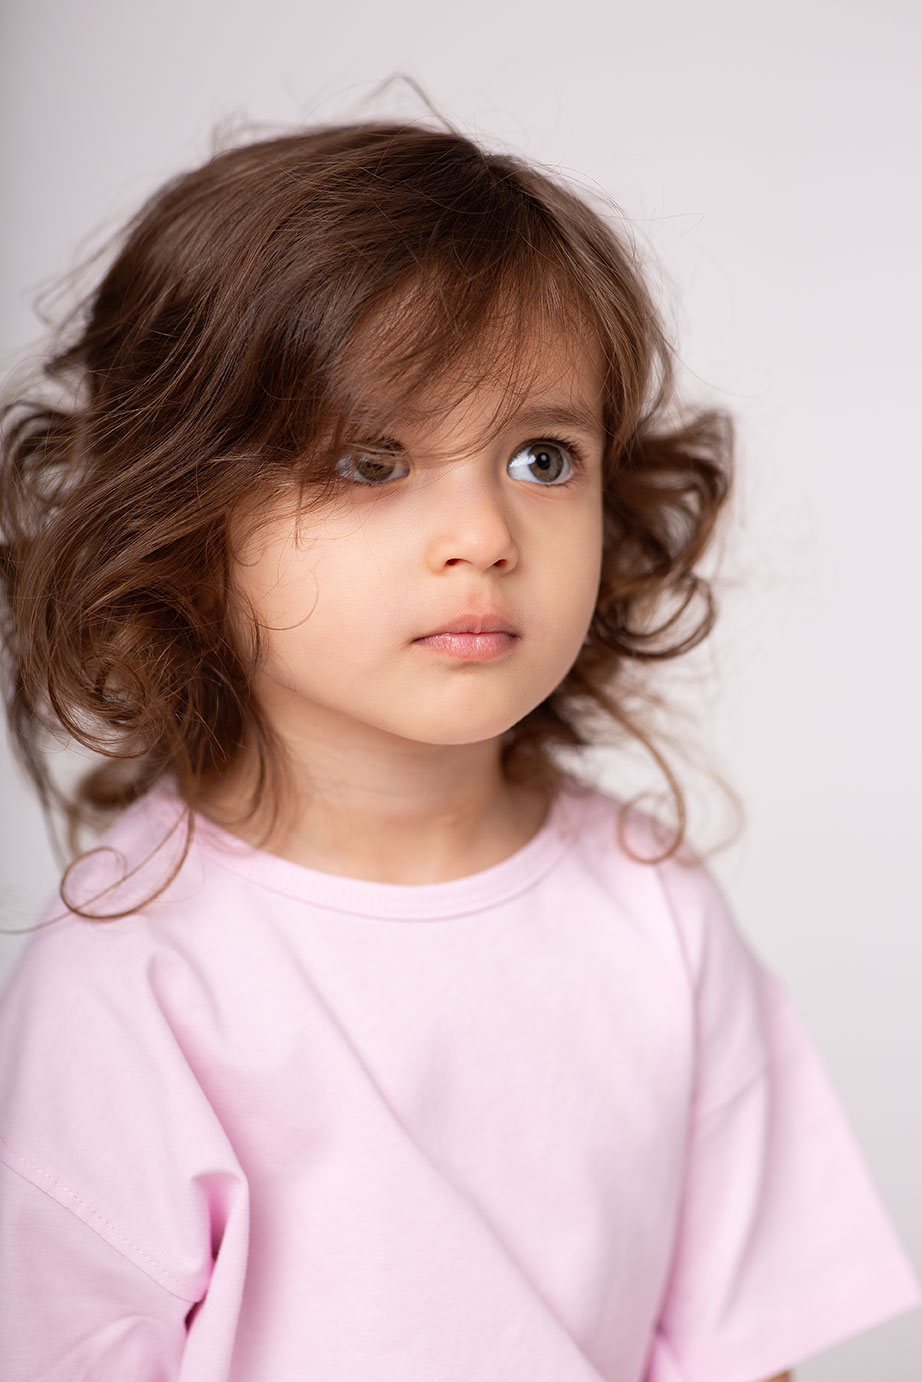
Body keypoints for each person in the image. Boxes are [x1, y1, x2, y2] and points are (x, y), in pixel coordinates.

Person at [0, 115, 917, 1382]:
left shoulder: (651, 908)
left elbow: (741, 1347)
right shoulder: (134, 972)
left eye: (542, 456)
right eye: (370, 461)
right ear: (182, 517)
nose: (483, 531)